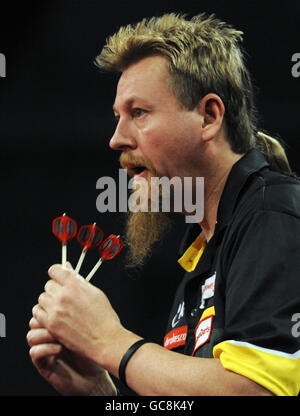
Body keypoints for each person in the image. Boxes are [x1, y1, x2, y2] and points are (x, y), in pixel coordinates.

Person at [26, 13, 300, 396]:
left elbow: (257, 391)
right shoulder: (202, 252)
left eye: (138, 113)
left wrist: (111, 342)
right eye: (118, 117)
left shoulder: (272, 215)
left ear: (209, 117)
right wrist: (98, 391)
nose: (116, 139)